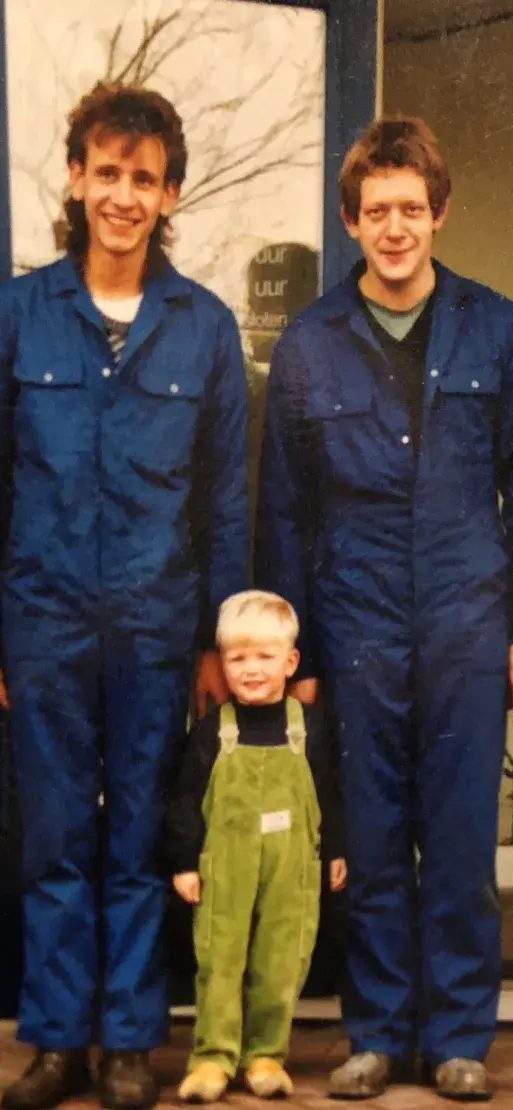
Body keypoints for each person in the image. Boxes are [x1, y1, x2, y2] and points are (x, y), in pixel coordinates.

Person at [256, 115, 513, 1103]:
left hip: (466, 623)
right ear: (351, 221)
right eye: (376, 210)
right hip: (355, 626)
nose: (394, 228)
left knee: (463, 844)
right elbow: (284, 506)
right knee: (373, 839)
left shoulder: (497, 328)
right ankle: (378, 1032)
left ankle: (458, 1038)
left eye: (411, 208)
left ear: (439, 213)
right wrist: (299, 652)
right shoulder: (310, 342)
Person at [0, 83, 249, 1110]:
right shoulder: (20, 315)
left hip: (156, 627)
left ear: (169, 194)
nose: (122, 196)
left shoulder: (205, 328)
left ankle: (131, 1044)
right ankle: (59, 1042)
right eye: (106, 173)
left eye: (143, 179)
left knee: (140, 835)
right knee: (56, 835)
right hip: (45, 622)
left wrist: (216, 640)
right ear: (76, 180)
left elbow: (226, 499)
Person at [167, 591, 346, 1104]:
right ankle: (213, 1057)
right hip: (224, 868)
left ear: (291, 662)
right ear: (221, 664)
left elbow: (329, 793)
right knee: (220, 960)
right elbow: (186, 801)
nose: (251, 669)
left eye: (265, 656)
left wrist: (337, 850)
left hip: (293, 869)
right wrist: (183, 862)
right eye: (237, 658)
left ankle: (266, 1054)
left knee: (281, 959)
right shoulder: (213, 731)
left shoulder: (308, 727)